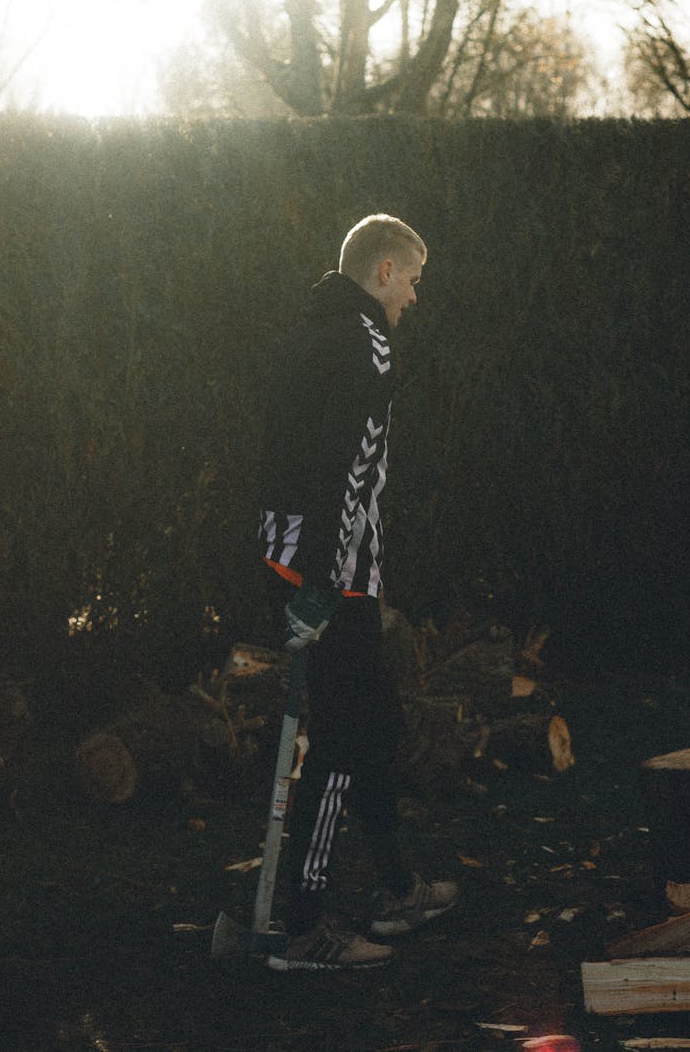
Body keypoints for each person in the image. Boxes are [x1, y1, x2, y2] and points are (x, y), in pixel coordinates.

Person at [258, 214, 458, 972]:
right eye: (410, 278)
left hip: (295, 557)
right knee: (345, 737)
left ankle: (400, 886)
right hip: (332, 575)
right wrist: (324, 585)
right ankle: (307, 926)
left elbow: (286, 457)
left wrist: (299, 571)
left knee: (373, 720)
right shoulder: (368, 345)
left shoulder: (304, 332)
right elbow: (345, 476)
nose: (413, 294)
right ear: (382, 272)